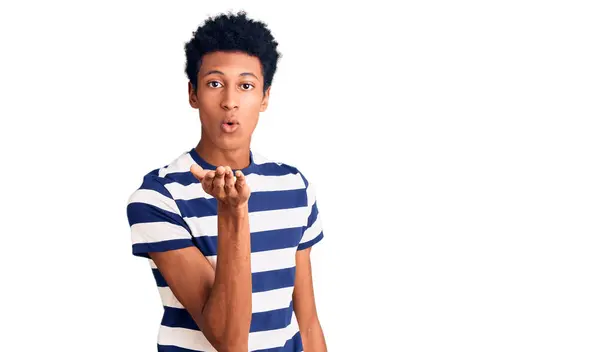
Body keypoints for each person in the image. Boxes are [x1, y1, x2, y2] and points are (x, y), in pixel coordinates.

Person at [126, 10, 327, 352]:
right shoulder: (158, 197)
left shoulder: (293, 185)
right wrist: (233, 214)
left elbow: (307, 322)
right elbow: (229, 340)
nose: (230, 101)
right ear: (193, 94)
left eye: (246, 86)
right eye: (215, 83)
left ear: (264, 97)